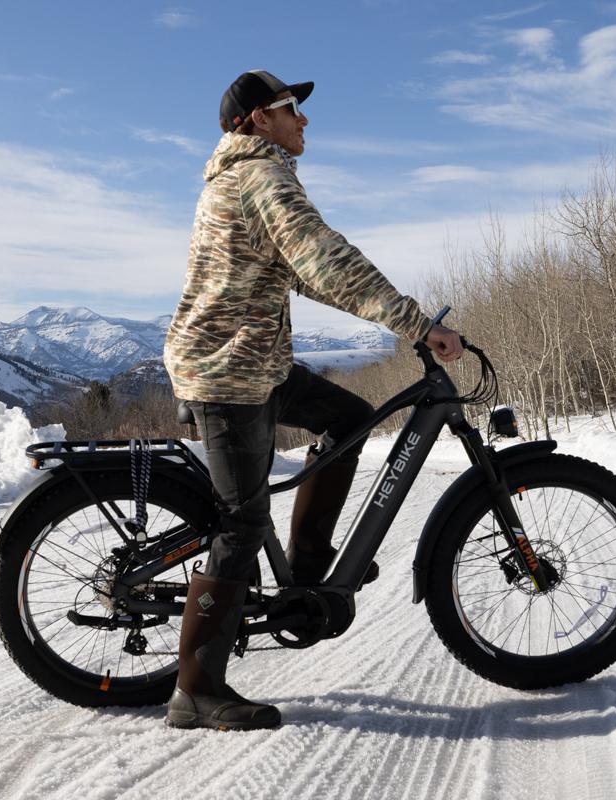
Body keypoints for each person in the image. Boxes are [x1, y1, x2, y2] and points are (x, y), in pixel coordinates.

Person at [162, 70, 462, 731]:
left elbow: (307, 268)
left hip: (255, 364)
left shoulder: (246, 174)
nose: (304, 120)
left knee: (350, 418)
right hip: (227, 371)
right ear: (258, 120)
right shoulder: (260, 178)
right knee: (241, 523)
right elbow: (325, 261)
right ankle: (196, 690)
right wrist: (416, 323)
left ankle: (307, 568)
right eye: (291, 108)